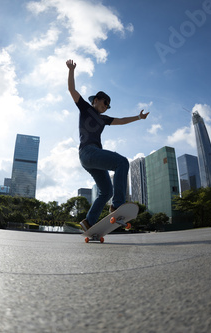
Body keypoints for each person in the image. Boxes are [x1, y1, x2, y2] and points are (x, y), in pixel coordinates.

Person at [66, 59, 149, 231]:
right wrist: (71, 70)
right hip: (88, 152)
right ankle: (117, 205)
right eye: (104, 104)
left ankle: (89, 221)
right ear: (96, 100)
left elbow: (121, 120)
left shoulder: (104, 119)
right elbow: (72, 90)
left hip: (92, 158)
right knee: (122, 162)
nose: (106, 108)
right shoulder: (86, 108)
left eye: (108, 106)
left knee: (106, 191)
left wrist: (138, 117)